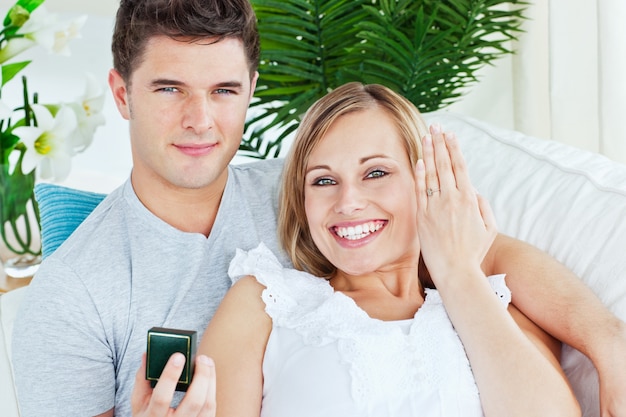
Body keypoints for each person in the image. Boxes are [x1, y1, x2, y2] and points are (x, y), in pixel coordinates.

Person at [9, 0, 625, 416]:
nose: (200, 119)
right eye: (169, 89)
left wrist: (606, 340)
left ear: (250, 90)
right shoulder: (70, 297)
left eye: (223, 90)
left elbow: (481, 250)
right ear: (122, 93)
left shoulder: (311, 193)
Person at [197, 82, 581, 416]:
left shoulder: (491, 302)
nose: (347, 202)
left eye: (376, 173)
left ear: (426, 181)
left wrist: (457, 274)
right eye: (324, 180)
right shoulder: (265, 304)